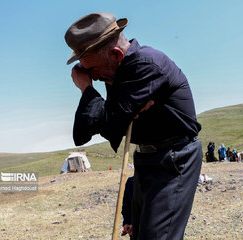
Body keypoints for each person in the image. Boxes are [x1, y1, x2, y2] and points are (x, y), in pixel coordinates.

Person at [64, 12, 202, 240]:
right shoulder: (119, 73)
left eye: (93, 70)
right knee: (138, 233)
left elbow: (109, 127)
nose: (93, 77)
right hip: (148, 158)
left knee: (157, 236)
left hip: (174, 159)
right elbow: (84, 132)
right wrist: (113, 112)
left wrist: (87, 90)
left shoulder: (145, 65)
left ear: (116, 54)